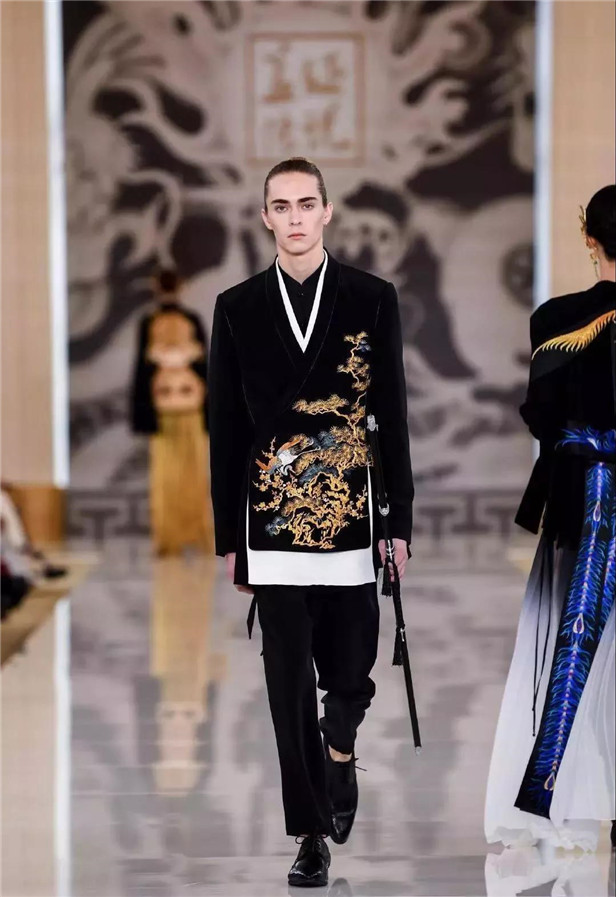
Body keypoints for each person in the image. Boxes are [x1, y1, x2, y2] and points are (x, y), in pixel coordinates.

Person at [208, 158, 414, 887]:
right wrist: (229, 538)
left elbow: (391, 411)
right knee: (286, 682)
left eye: (306, 204)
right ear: (265, 216)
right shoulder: (236, 306)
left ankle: (340, 746)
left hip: (352, 514)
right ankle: (309, 833)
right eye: (281, 205)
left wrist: (399, 520)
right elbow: (225, 429)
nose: (294, 217)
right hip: (270, 521)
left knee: (351, 673)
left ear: (327, 211)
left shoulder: (371, 297)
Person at [485, 185, 616, 852]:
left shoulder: (555, 319)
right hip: (588, 492)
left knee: (579, 643)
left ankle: (571, 794)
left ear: (589, 237)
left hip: (579, 496)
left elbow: (541, 416)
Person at [130, 268, 211, 555]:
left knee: (184, 475)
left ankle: (189, 536)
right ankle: (176, 538)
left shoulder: (186, 321)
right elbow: (143, 371)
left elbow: (205, 367)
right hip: (170, 411)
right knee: (174, 476)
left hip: (188, 410)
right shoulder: (154, 322)